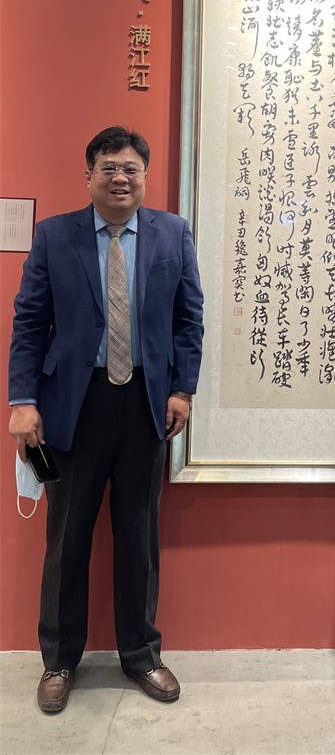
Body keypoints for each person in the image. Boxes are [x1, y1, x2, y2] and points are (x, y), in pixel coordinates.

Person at [8, 126, 204, 714]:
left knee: (139, 536)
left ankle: (141, 653)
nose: (120, 178)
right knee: (67, 537)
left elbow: (188, 319)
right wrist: (23, 401)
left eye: (130, 169)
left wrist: (182, 390)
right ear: (89, 175)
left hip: (146, 404)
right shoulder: (54, 235)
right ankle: (59, 659)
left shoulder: (172, 233)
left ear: (145, 176)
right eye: (109, 168)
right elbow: (29, 322)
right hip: (74, 404)